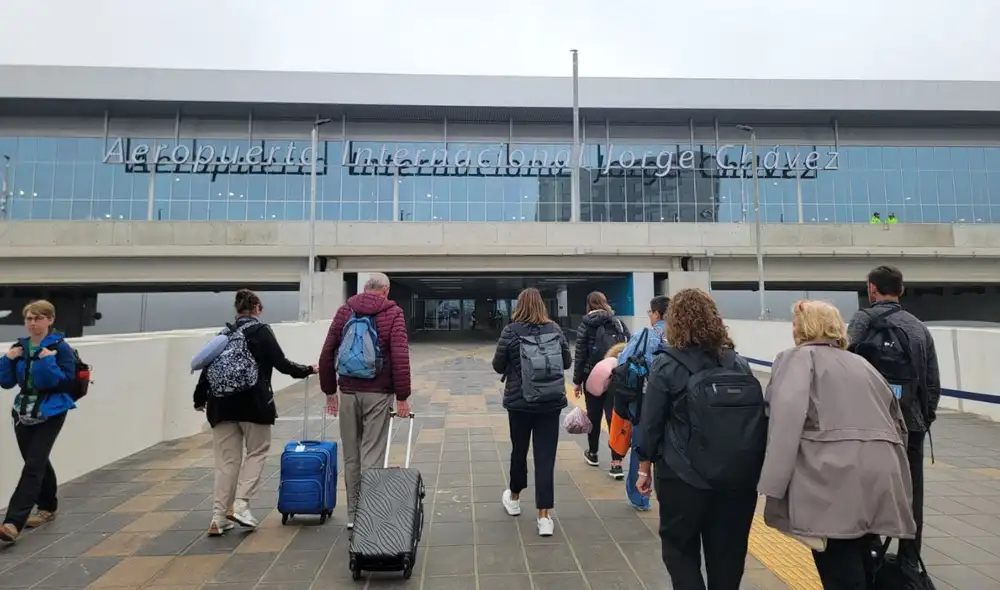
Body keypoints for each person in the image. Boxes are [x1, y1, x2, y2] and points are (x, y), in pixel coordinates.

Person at [760, 300, 915, 589]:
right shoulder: (862, 364)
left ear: (805, 327)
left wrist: (772, 485)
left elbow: (784, 422)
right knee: (862, 556)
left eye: (796, 322)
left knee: (838, 568)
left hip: (834, 477)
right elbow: (897, 422)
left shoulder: (797, 359)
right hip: (881, 472)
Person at [635, 288, 763, 590]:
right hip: (737, 480)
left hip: (683, 477)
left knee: (680, 551)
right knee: (729, 557)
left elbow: (650, 423)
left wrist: (644, 466)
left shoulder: (666, 365)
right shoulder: (738, 363)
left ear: (675, 322)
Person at [194, 289, 316, 536]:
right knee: (257, 451)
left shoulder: (224, 334)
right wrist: (308, 370)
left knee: (227, 462)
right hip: (254, 404)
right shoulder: (260, 331)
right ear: (257, 309)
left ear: (237, 310)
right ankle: (241, 504)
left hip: (220, 405)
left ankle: (218, 517)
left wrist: (199, 398)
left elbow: (206, 370)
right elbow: (282, 365)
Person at [847, 265, 939, 567]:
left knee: (868, 490)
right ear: (901, 291)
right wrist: (924, 419)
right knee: (912, 493)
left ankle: (870, 551)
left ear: (872, 289)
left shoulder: (863, 319)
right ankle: (909, 560)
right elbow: (932, 382)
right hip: (911, 423)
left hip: (870, 424)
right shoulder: (918, 327)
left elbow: (844, 363)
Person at [319, 272, 411, 530]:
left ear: (365, 288)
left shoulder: (344, 311)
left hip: (347, 392)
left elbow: (327, 352)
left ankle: (353, 514)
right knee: (372, 454)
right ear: (386, 290)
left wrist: (329, 391)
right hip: (379, 394)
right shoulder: (393, 313)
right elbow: (400, 355)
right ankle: (369, 514)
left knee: (351, 457)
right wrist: (402, 397)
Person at [492, 287, 571, 537]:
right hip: (550, 402)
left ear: (520, 305)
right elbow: (566, 362)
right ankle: (544, 517)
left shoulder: (510, 331)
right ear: (542, 306)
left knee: (519, 450)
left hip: (520, 402)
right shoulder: (555, 329)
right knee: (545, 457)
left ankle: (514, 499)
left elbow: (497, 365)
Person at [0, 300, 78, 543]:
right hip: (23, 411)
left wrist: (46, 361)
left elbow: (66, 382)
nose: (33, 324)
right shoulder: (19, 348)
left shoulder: (61, 348)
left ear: (50, 320)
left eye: (38, 318)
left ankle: (13, 522)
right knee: (36, 459)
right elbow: (6, 382)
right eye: (29, 319)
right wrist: (7, 359)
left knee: (33, 465)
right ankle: (48, 506)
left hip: (51, 411)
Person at [616, 295, 669, 511]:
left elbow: (623, 362)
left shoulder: (646, 334)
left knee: (642, 444)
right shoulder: (684, 336)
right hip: (676, 399)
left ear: (656, 313)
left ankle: (640, 496)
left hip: (645, 398)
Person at [572, 291, 630, 478]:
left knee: (593, 416)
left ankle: (594, 453)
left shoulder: (585, 325)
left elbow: (580, 355)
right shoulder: (618, 323)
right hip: (615, 375)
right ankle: (616, 462)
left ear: (589, 305)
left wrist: (577, 381)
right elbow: (628, 348)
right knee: (614, 417)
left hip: (593, 376)